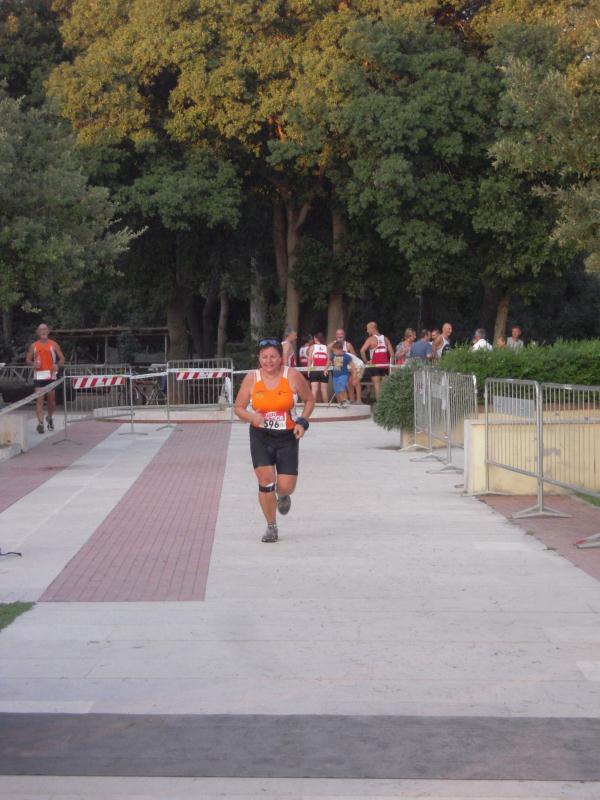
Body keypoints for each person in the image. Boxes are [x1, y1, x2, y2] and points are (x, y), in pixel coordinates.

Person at [234, 338, 314, 543]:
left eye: (273, 356)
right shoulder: (252, 378)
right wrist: (252, 417)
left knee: (286, 486)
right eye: (264, 357)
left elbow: (309, 400)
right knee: (265, 480)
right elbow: (238, 407)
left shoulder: (292, 376)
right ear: (259, 359)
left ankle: (284, 495)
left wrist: (302, 422)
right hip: (260, 436)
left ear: (281, 358)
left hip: (287, 436)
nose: (269, 361)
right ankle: (271, 526)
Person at [26, 323, 65, 434]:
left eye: (45, 329)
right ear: (37, 332)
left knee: (52, 401)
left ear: (48, 331)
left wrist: (57, 365)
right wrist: (33, 364)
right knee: (39, 400)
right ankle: (41, 423)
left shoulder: (53, 344)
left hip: (51, 375)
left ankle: (50, 417)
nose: (43, 331)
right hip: (39, 376)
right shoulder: (34, 345)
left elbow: (62, 359)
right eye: (41, 329)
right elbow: (28, 360)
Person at [359, 321, 394, 401]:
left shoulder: (371, 339)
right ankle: (385, 405)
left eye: (368, 329)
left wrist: (366, 361)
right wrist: (390, 365)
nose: (367, 331)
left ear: (372, 328)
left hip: (374, 365)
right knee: (385, 387)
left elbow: (362, 351)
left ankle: (379, 407)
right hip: (385, 366)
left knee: (377, 386)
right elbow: (392, 354)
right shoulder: (385, 339)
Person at [327, 328, 362, 403]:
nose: (340, 336)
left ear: (344, 335)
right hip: (338, 367)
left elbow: (354, 356)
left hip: (349, 367)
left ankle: (357, 400)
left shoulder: (348, 345)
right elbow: (328, 355)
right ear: (336, 335)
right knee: (339, 386)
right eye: (338, 334)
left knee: (354, 381)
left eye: (341, 334)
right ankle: (341, 402)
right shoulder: (331, 345)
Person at [329, 340, 356, 408]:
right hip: (335, 376)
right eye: (333, 351)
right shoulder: (333, 355)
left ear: (340, 350)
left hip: (343, 374)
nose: (334, 352)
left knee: (342, 387)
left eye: (335, 351)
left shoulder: (346, 356)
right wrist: (326, 369)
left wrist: (354, 374)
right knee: (337, 390)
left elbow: (352, 365)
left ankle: (345, 401)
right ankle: (341, 402)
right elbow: (329, 361)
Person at [307, 332, 330, 403]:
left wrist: (309, 370)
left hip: (314, 370)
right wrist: (326, 369)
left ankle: (312, 407)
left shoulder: (312, 347)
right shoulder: (326, 347)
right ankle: (327, 407)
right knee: (324, 390)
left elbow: (310, 359)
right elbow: (329, 360)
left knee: (314, 389)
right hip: (324, 370)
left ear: (315, 339)